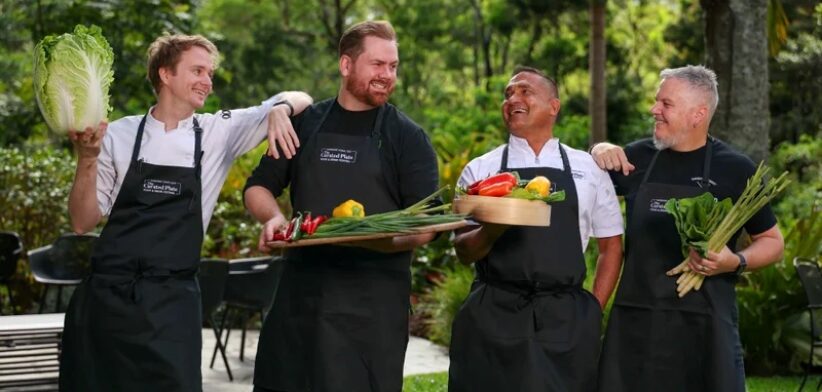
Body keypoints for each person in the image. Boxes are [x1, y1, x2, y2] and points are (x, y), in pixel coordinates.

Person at [60, 33, 312, 391]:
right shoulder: (117, 134)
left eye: (209, 73)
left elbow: (301, 98)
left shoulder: (217, 132)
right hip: (106, 301)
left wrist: (278, 109)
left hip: (171, 305)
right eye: (198, 71)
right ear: (165, 74)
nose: (207, 82)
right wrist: (86, 159)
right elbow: (82, 222)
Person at [243, 20, 440, 391]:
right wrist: (274, 218)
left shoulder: (408, 137)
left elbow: (427, 225)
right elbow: (258, 187)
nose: (387, 75)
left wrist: (376, 240)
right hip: (300, 298)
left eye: (393, 66)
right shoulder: (305, 124)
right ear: (346, 65)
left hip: (372, 308)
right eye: (377, 65)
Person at [593, 65, 785, 391]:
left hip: (706, 328)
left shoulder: (737, 170)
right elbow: (580, 186)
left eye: (665, 104)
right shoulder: (635, 158)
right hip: (638, 325)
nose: (654, 110)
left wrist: (733, 261)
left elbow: (772, 242)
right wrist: (597, 150)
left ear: (698, 115)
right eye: (656, 102)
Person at [447, 66, 624, 392]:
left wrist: (591, 311)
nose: (513, 98)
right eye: (508, 94)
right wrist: (492, 231)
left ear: (553, 106)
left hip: (565, 321)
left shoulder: (589, 169)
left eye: (525, 91)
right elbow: (462, 251)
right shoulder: (480, 169)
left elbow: (611, 247)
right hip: (493, 315)